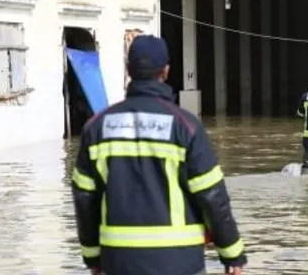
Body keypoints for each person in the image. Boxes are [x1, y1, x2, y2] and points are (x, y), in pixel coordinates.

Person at [71, 35, 247, 275]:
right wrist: (232, 253)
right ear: (166, 71)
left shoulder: (96, 127)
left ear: (128, 70)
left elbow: (85, 199)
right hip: (179, 262)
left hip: (119, 261)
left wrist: (92, 258)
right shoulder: (186, 126)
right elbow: (212, 196)